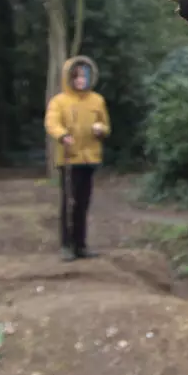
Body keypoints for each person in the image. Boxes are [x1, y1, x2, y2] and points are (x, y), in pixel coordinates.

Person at [44, 56, 110, 262]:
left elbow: (106, 126)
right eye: (77, 76)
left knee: (83, 203)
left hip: (90, 158)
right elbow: (51, 123)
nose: (81, 80)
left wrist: (101, 130)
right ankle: (66, 246)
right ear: (69, 78)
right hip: (69, 158)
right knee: (69, 203)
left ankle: (81, 245)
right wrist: (63, 135)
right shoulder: (59, 101)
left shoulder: (97, 100)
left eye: (85, 76)